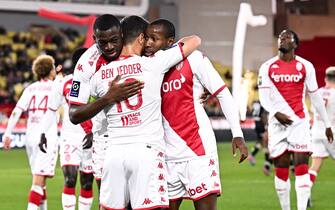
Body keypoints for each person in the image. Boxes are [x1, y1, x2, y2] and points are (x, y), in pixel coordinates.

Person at [89, 15, 201, 210]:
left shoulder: (99, 76)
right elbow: (195, 40)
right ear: (141, 38)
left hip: (113, 153)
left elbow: (85, 105)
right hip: (145, 152)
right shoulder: (154, 63)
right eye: (147, 38)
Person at [143, 19, 248, 210]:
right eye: (147, 38)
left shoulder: (194, 59)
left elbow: (223, 93)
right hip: (164, 155)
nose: (148, 43)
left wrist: (237, 133)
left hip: (197, 152)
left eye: (154, 38)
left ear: (169, 42)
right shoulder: (145, 66)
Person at [257, 29, 333, 210]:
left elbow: (315, 97)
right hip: (277, 125)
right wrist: (275, 113)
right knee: (281, 169)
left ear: (295, 44)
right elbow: (264, 97)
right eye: (280, 37)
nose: (282, 39)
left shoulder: (306, 66)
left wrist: (327, 124)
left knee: (301, 168)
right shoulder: (266, 67)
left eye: (287, 37)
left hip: (299, 123)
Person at [39, 48, 95, 210]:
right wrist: (43, 133)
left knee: (86, 183)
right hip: (70, 137)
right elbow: (51, 109)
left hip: (91, 138)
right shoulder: (64, 83)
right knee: (70, 179)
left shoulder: (96, 81)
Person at [2, 55, 59, 210]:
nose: (55, 69)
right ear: (49, 70)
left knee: (41, 181)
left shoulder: (30, 88)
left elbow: (16, 112)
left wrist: (8, 133)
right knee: (38, 181)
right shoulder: (57, 87)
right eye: (53, 66)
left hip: (31, 137)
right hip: (46, 138)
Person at [68, 14, 144, 125]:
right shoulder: (86, 65)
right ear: (94, 39)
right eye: (103, 42)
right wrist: (109, 98)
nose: (109, 47)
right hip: (105, 133)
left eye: (114, 40)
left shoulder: (136, 46)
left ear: (122, 34)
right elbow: (73, 115)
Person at [308, 66, 335, 207]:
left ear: (325, 78)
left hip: (316, 132)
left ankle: (305, 192)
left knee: (315, 165)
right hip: (331, 132)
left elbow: (313, 112)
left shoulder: (317, 92)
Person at [248, 99, 272, 176]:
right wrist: (266, 127)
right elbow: (263, 116)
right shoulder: (263, 104)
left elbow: (253, 112)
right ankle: (267, 166)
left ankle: (252, 155)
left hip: (257, 126)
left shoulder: (255, 104)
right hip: (262, 127)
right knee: (267, 146)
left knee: (261, 143)